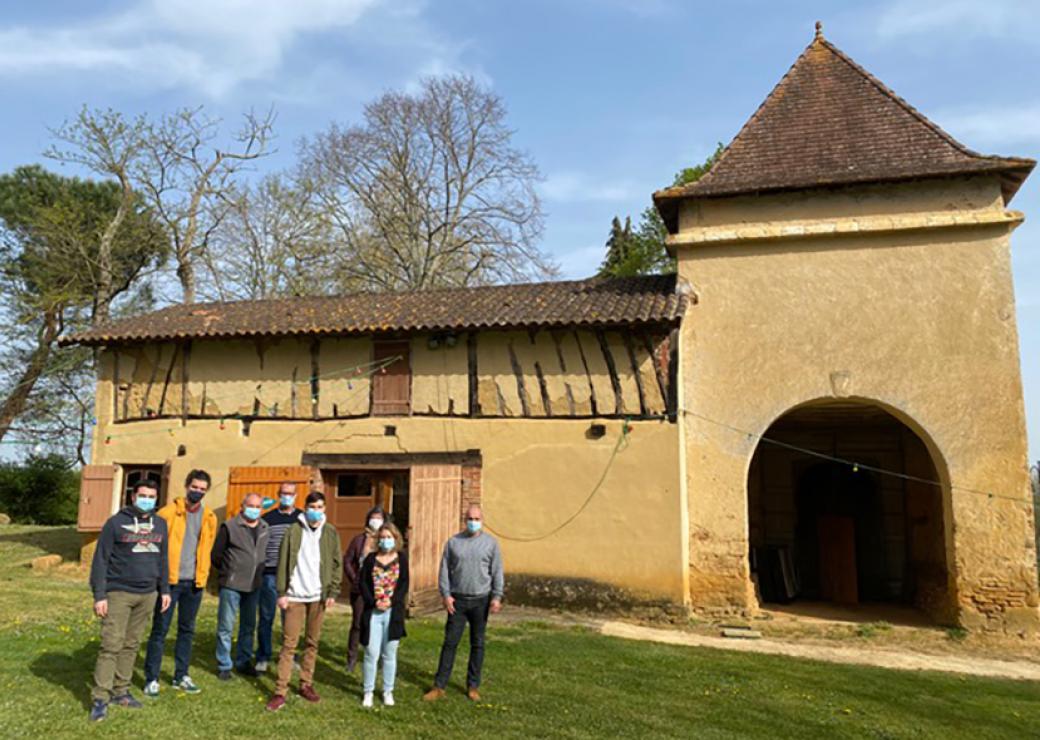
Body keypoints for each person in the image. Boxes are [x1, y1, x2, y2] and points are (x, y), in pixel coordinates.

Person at [88, 479, 171, 722]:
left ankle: (121, 692)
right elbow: (100, 560)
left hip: (148, 593)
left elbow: (163, 559)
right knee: (111, 644)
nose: (147, 500)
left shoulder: (161, 524)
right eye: (143, 495)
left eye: (152, 496)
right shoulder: (115, 523)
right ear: (133, 497)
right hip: (119, 593)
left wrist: (164, 589)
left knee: (132, 644)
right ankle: (100, 697)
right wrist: (100, 595)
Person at [143, 469, 217, 697]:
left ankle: (181, 675)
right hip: (170, 582)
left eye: (203, 489)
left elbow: (207, 548)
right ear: (187, 486)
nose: (198, 492)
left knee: (187, 630)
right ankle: (152, 678)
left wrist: (202, 576)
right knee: (160, 630)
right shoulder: (167, 513)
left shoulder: (210, 517)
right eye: (195, 487)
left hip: (194, 583)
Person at [266, 491, 342, 712]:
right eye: (312, 506)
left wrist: (332, 592)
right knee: (289, 645)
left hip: (318, 597)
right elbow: (282, 562)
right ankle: (280, 691)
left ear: (324, 508)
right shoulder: (293, 531)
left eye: (319, 507)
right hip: (295, 596)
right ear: (305, 508)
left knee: (312, 643)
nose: (315, 511)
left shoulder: (330, 532)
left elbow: (337, 562)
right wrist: (282, 592)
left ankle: (306, 684)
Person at [424, 504, 504, 703]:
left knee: (477, 644)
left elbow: (497, 571)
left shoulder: (491, 544)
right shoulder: (453, 542)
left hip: (481, 601)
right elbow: (444, 570)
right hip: (457, 601)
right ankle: (439, 685)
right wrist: (446, 594)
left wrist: (496, 596)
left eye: (476, 519)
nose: (473, 522)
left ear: (482, 521)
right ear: (464, 519)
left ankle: (473, 686)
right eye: (470, 518)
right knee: (450, 643)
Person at [212, 491, 270, 680]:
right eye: (250, 506)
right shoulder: (229, 526)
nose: (254, 510)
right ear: (242, 507)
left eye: (257, 507)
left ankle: (244, 661)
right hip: (232, 584)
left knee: (248, 625)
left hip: (254, 585)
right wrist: (230, 572)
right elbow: (216, 555)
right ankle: (224, 664)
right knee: (226, 625)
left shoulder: (264, 527)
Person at [359, 522, 409, 707]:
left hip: (392, 612)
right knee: (371, 653)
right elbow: (363, 584)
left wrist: (392, 602)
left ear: (395, 539)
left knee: (390, 653)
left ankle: (388, 691)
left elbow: (404, 584)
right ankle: (368, 691)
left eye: (389, 537)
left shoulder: (402, 559)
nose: (385, 541)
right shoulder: (371, 559)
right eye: (382, 537)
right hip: (373, 612)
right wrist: (374, 602)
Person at [256, 482, 301, 673]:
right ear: (278, 494)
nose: (286, 496)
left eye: (290, 494)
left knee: (290, 619)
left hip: (294, 576)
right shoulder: (268, 518)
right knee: (266, 616)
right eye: (283, 493)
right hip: (270, 574)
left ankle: (289, 655)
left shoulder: (302, 518)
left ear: (296, 496)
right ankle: (263, 655)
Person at [343, 505, 385, 672]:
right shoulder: (359, 540)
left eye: (379, 518)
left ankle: (379, 657)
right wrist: (355, 578)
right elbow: (347, 560)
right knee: (358, 623)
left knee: (379, 624)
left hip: (380, 588)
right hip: (360, 588)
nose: (375, 521)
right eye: (373, 517)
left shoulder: (386, 539)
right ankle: (351, 658)